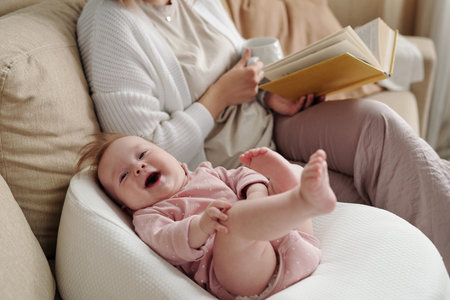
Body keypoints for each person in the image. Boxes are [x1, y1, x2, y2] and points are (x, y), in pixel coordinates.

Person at [77, 0, 450, 270]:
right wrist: (219, 97)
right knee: (353, 194)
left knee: (376, 123)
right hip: (227, 165)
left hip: (272, 121)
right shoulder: (109, 24)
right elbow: (150, 148)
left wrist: (273, 93)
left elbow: (243, 61)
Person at [77, 133, 337, 299]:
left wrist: (257, 192)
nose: (138, 167)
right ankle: (302, 201)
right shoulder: (149, 216)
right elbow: (166, 240)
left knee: (277, 181)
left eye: (143, 154)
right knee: (231, 224)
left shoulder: (206, 172)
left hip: (293, 237)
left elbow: (240, 176)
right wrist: (199, 227)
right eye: (123, 176)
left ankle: (297, 194)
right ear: (127, 207)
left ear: (177, 161)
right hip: (251, 275)